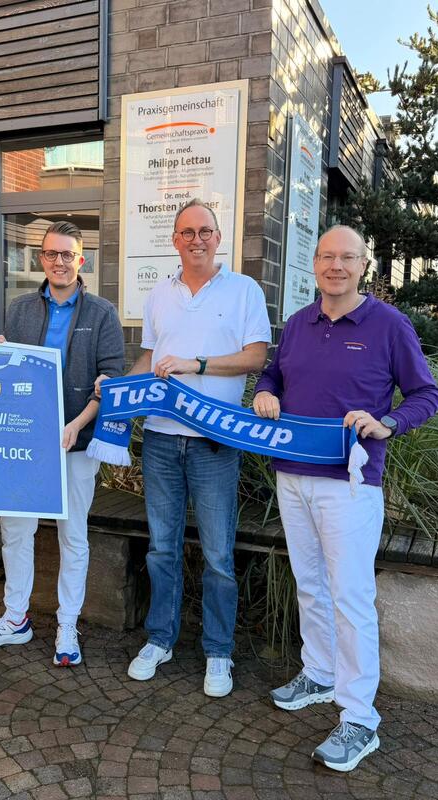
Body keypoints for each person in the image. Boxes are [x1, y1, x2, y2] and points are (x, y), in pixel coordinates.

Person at [253, 225, 438, 771]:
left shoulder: (389, 325)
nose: (336, 266)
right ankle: (319, 672)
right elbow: (272, 374)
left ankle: (360, 718)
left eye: (347, 258)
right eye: (327, 257)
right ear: (314, 264)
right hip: (293, 475)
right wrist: (264, 392)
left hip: (351, 483)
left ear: (363, 266)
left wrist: (388, 423)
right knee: (309, 583)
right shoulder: (298, 323)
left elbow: (426, 393)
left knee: (351, 597)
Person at [124, 198, 272, 696]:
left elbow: (255, 357)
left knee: (217, 555)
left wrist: (198, 364)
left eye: (205, 230)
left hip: (215, 441)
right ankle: (159, 639)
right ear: (174, 240)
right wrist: (119, 388)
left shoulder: (244, 289)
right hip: (161, 440)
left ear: (218, 237)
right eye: (187, 232)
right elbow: (149, 356)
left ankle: (218, 651)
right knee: (161, 547)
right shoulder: (159, 294)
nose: (197, 239)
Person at [0, 221, 124, 666]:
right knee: (16, 531)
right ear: (41, 258)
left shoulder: (102, 313)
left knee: (73, 536)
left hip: (77, 442)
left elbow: (111, 379)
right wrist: (1, 358)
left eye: (67, 254)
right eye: (51, 253)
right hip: (24, 444)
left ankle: (67, 625)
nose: (59, 262)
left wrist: (77, 423)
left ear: (81, 260)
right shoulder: (19, 309)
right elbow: (8, 374)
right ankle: (15, 618)